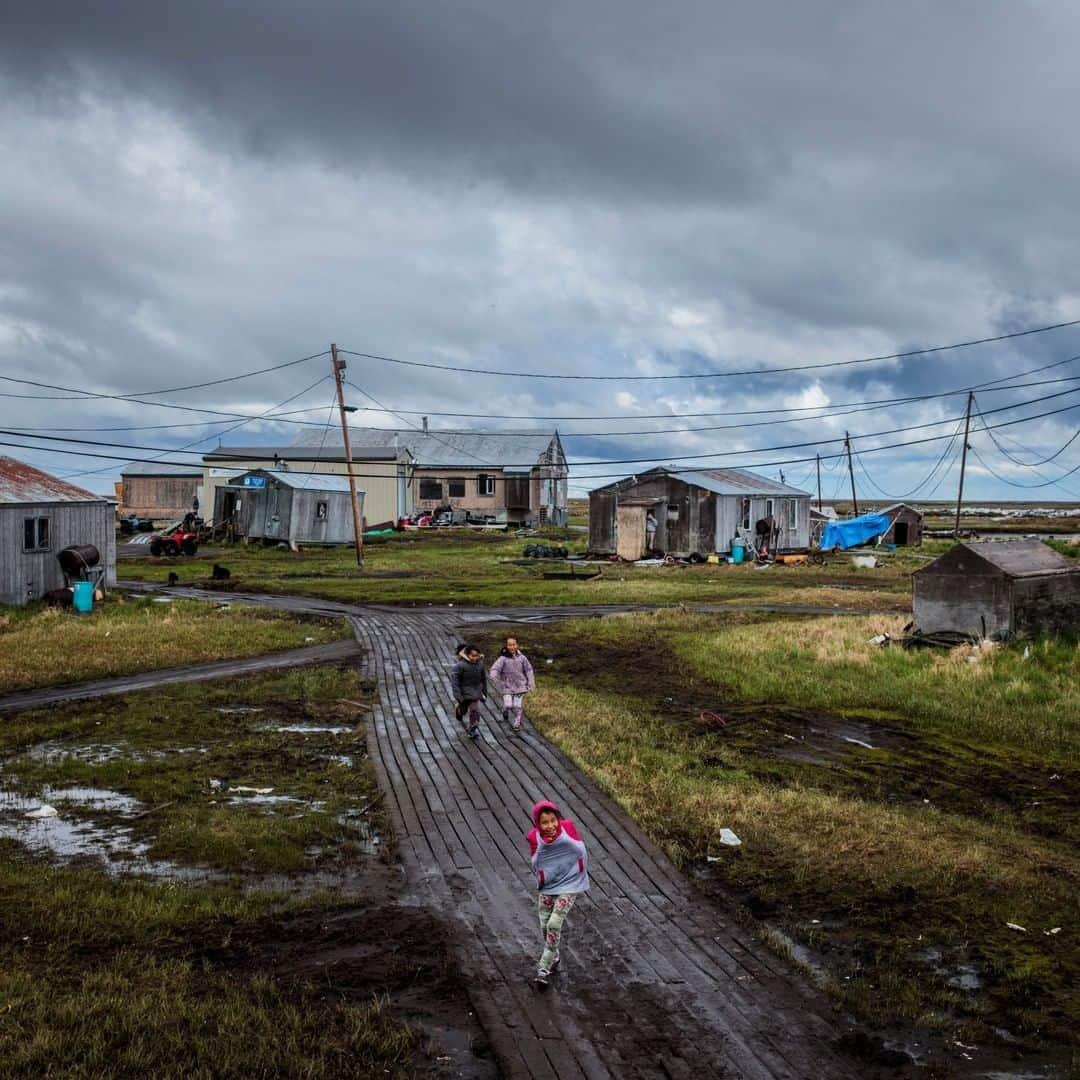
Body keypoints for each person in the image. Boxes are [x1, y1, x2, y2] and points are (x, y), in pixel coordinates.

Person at [527, 799, 589, 987]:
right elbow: (536, 863)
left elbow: (580, 849)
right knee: (545, 926)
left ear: (558, 818)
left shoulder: (568, 827)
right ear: (538, 823)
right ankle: (555, 956)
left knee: (554, 924)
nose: (550, 826)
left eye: (553, 820)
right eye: (544, 822)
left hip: (570, 884)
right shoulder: (533, 837)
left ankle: (543, 968)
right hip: (548, 886)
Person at [489, 636, 535, 732]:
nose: (512, 647)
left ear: (517, 645)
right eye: (509, 645)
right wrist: (494, 675)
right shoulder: (503, 658)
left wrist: (531, 683)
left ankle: (517, 723)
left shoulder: (522, 658)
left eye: (513, 644)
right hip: (507, 685)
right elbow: (495, 668)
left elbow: (529, 670)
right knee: (509, 705)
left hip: (520, 686)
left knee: (517, 706)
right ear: (507, 646)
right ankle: (506, 709)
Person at [451, 644, 487, 739]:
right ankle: (458, 710)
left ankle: (472, 729)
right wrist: (458, 696)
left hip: (475, 692)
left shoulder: (480, 665)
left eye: (477, 656)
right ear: (467, 655)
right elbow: (455, 682)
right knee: (463, 711)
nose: (475, 658)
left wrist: (484, 692)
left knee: (475, 710)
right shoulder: (460, 666)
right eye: (472, 656)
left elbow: (483, 679)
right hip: (463, 693)